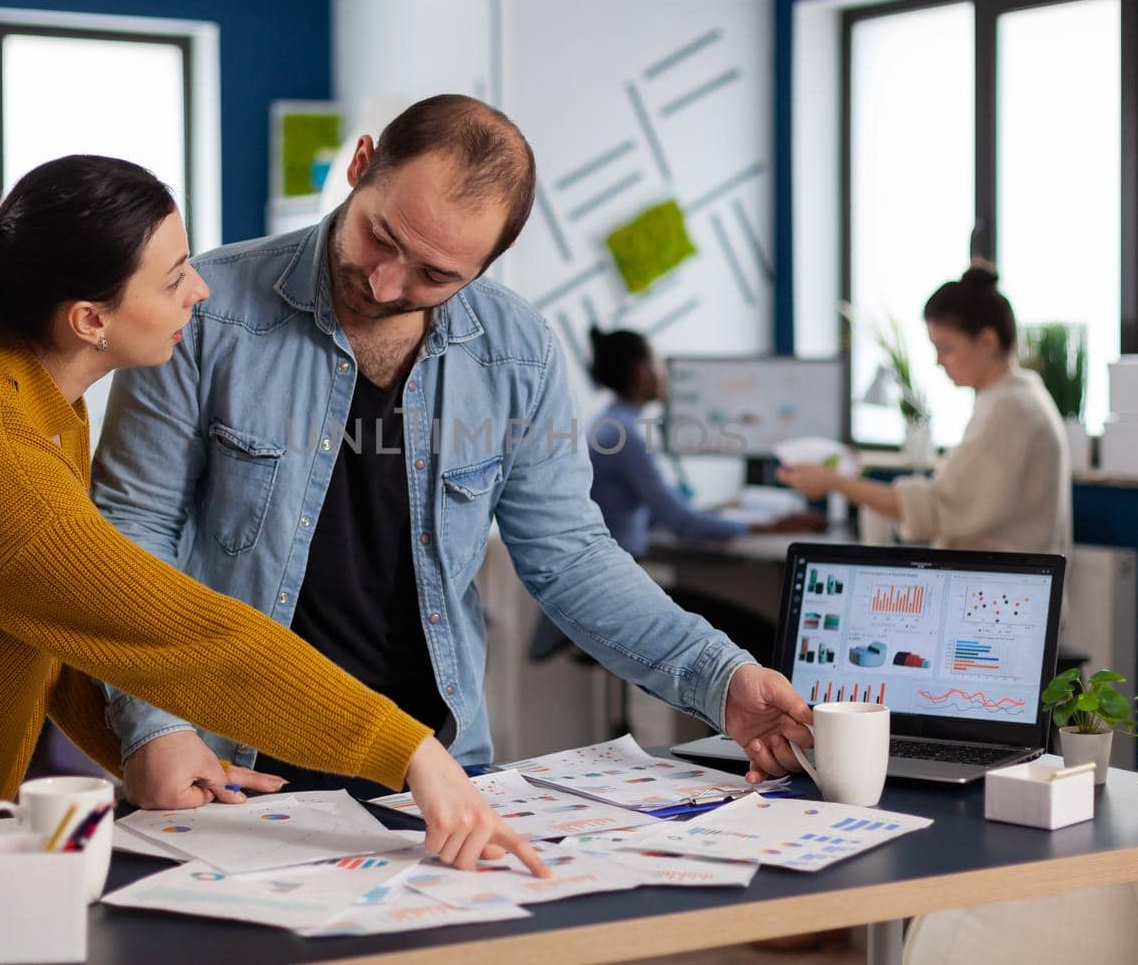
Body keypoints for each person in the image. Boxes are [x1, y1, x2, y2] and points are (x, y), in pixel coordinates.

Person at [0, 155, 549, 957]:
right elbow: (184, 635)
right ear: (91, 319)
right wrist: (412, 751)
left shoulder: (31, 400)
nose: (201, 289)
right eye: (174, 274)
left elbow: (57, 618)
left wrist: (144, 743)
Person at [91, 95, 815, 804]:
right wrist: (153, 724)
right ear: (363, 164)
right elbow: (130, 531)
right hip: (232, 764)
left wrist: (719, 677)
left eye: (435, 275)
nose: (385, 282)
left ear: (487, 263)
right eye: (382, 236)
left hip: (437, 775)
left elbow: (570, 556)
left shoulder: (519, 352)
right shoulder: (208, 310)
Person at [777, 263, 1070, 555]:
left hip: (1003, 590)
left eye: (945, 348)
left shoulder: (1010, 409)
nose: (938, 362)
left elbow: (937, 509)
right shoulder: (1012, 397)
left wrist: (834, 482)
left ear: (987, 342)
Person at [575, 326, 822, 660]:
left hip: (608, 582)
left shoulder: (608, 423)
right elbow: (681, 523)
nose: (665, 375)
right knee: (772, 639)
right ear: (640, 370)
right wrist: (771, 527)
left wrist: (719, 511)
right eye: (659, 364)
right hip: (614, 592)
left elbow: (653, 515)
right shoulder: (626, 436)